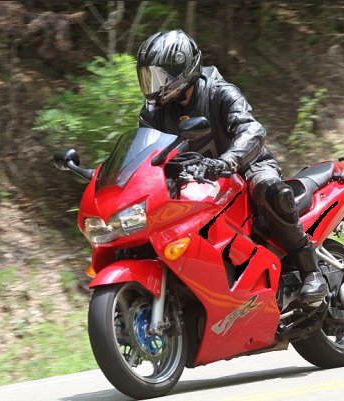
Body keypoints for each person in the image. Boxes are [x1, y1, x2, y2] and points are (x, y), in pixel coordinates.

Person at [136, 30, 327, 304]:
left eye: (159, 77)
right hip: (194, 181)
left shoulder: (219, 92)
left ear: (182, 69)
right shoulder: (153, 113)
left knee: (268, 189)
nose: (153, 85)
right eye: (148, 78)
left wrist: (228, 161)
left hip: (245, 167)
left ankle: (310, 270)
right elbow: (143, 152)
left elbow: (252, 130)